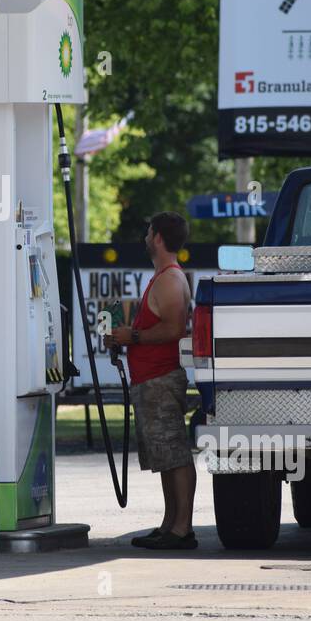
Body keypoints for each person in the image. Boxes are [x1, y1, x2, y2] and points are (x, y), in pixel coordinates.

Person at [106, 211, 196, 550]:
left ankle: (182, 528)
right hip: (149, 380)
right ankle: (170, 523)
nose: (145, 237)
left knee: (174, 453)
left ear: (158, 237)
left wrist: (133, 337)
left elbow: (174, 329)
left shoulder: (171, 280)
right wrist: (124, 338)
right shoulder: (162, 278)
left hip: (161, 379)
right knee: (164, 456)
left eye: (148, 231)